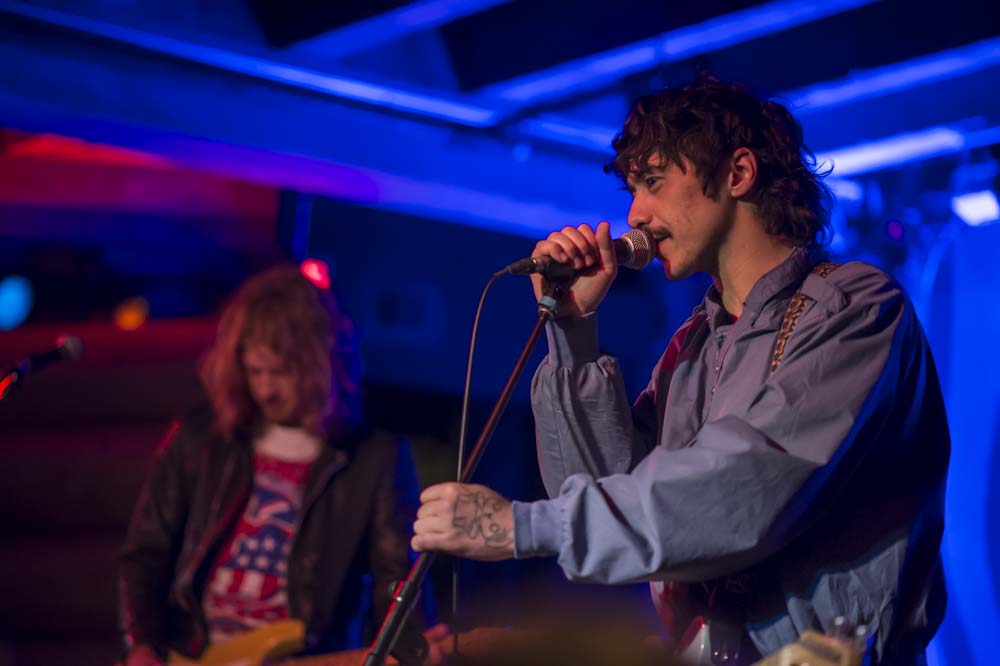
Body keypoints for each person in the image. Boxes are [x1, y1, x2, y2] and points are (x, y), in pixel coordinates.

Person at [411, 76, 949, 666]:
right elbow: (608, 494)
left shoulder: (854, 308)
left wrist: (520, 528)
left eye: (653, 182)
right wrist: (572, 332)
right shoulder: (693, 347)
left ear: (737, 174)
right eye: (632, 188)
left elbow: (741, 488)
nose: (634, 214)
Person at [118, 264, 434, 665]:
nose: (265, 390)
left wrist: (412, 649)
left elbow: (397, 579)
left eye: (280, 373)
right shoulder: (200, 439)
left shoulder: (373, 458)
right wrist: (142, 645)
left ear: (319, 365)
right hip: (192, 652)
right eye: (255, 372)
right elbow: (146, 555)